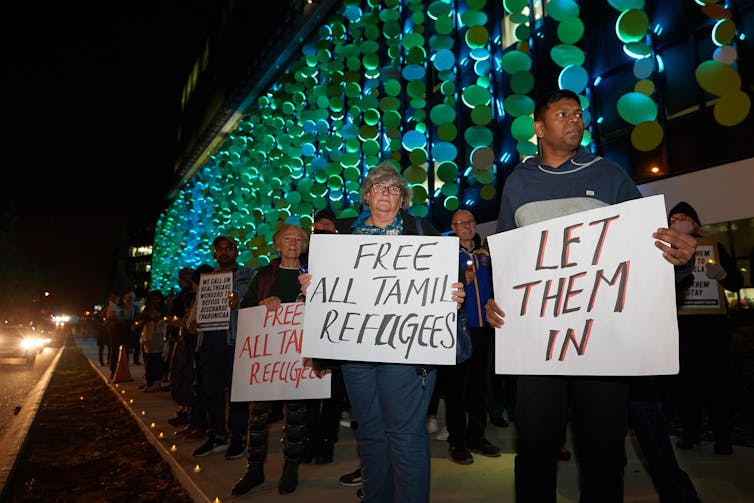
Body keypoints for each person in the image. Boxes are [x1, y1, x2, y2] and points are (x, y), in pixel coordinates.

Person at [484, 89, 697, 503]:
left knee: (603, 453)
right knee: (535, 451)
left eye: (579, 113)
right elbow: (508, 259)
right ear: (539, 128)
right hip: (538, 345)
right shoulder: (518, 182)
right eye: (562, 113)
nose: (575, 119)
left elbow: (647, 252)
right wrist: (497, 299)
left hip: (603, 342)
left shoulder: (610, 175)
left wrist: (680, 260)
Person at [299, 162, 465, 503]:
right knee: (371, 435)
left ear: (403, 197)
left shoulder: (422, 232)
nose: (386, 193)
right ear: (366, 195)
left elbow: (447, 281)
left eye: (393, 188)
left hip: (406, 351)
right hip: (356, 354)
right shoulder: (341, 235)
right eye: (379, 186)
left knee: (404, 436)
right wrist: (310, 286)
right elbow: (325, 285)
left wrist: (455, 294)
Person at [231, 223, 310, 495]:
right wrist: (262, 304)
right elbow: (246, 308)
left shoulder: (312, 274)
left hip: (299, 357)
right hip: (267, 358)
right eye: (287, 238)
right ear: (277, 244)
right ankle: (254, 470)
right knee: (258, 417)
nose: (293, 242)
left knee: (296, 417)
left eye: (299, 239)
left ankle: (290, 469)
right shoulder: (264, 275)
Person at [669, 201, 743, 455]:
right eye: (673, 218)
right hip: (681, 327)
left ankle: (723, 436)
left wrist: (722, 275)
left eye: (684, 217)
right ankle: (691, 432)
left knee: (718, 383)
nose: (678, 221)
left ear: (695, 222)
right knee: (685, 383)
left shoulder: (714, 247)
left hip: (713, 328)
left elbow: (736, 283)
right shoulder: (664, 250)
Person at [441, 209, 500, 465]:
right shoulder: (445, 254)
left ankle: (478, 435)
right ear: (453, 227)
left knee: (481, 388)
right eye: (460, 223)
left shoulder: (488, 252)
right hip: (457, 328)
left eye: (471, 221)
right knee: (457, 390)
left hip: (484, 329)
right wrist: (459, 280)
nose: (467, 226)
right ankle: (458, 441)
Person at [192, 236, 253, 459]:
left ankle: (238, 438)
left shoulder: (248, 275)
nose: (225, 252)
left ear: (237, 251)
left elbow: (255, 303)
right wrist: (192, 322)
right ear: (215, 253)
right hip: (208, 342)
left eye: (229, 248)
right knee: (211, 392)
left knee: (236, 393)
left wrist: (240, 303)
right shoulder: (207, 278)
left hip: (233, 341)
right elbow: (198, 306)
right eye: (220, 249)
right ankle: (217, 435)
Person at [139, 290, 167, 392]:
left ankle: (155, 382)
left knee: (156, 361)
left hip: (158, 339)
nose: (155, 301)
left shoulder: (163, 312)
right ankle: (150, 382)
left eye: (157, 298)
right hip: (149, 338)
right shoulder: (147, 311)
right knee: (149, 361)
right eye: (153, 298)